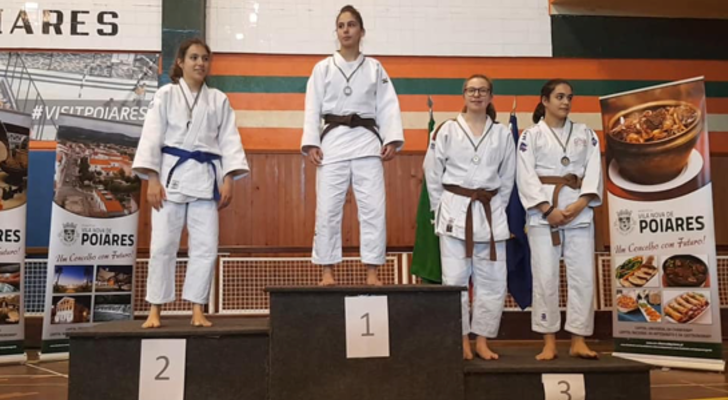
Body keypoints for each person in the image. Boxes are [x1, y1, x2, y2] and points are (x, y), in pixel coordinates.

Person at [132, 38, 249, 328]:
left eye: (205, 58)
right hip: (170, 179)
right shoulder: (166, 95)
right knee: (162, 245)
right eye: (194, 57)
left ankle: (198, 308)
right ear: (180, 62)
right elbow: (152, 136)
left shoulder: (218, 99)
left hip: (205, 180)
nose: (200, 63)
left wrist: (228, 178)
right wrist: (152, 179)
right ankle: (155, 309)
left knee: (206, 247)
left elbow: (229, 140)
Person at [301, 5, 404, 286]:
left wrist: (391, 138)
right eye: (341, 25)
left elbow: (388, 106)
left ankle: (372, 271)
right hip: (332, 144)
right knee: (327, 210)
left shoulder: (375, 68)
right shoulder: (322, 68)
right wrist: (311, 142)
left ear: (361, 31)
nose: (346, 30)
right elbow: (312, 107)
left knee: (373, 209)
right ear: (336, 32)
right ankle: (327, 271)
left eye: (351, 25)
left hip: (367, 143)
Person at [424, 75, 515, 360]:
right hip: (454, 210)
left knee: (493, 281)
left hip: (489, 212)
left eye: (482, 90)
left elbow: (508, 177)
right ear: (463, 94)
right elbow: (432, 172)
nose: (477, 95)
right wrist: (441, 208)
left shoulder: (502, 134)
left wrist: (497, 207)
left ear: (491, 96)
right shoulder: (447, 129)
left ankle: (482, 341)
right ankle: (462, 339)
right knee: (454, 280)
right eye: (472, 90)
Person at [516, 79, 603, 360]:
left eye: (569, 97)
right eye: (560, 97)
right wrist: (546, 208)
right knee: (545, 277)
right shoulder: (531, 136)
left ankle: (579, 339)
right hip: (544, 214)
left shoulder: (585, 133)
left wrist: (581, 203)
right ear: (545, 100)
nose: (566, 102)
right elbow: (525, 175)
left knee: (583, 277)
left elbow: (594, 170)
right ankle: (549, 342)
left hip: (579, 211)